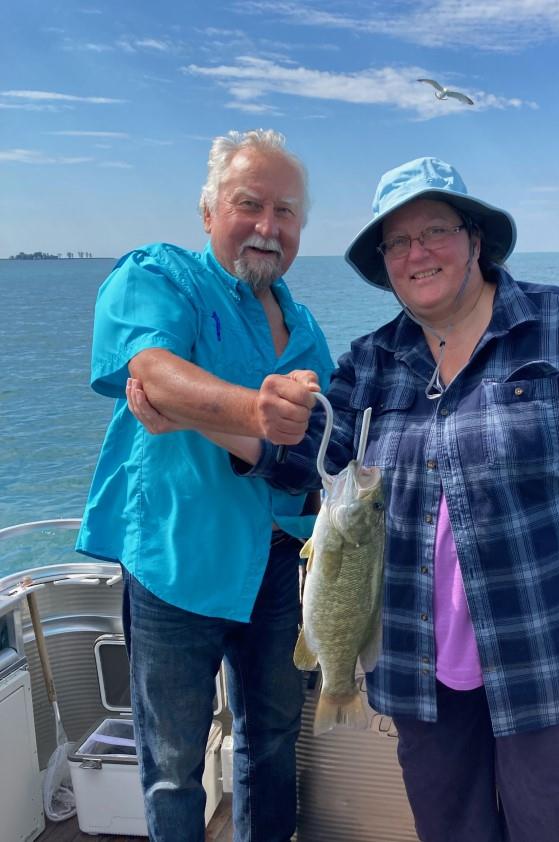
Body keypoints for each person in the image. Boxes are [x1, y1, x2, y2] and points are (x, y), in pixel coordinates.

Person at [128, 156, 559, 841]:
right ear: (385, 263)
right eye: (398, 242)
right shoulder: (373, 362)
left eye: (434, 231)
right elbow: (305, 452)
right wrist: (192, 416)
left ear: (475, 238)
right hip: (419, 671)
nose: (417, 253)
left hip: (558, 659)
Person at [76, 129, 334, 842]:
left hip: (281, 564)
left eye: (285, 213)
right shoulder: (161, 276)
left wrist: (204, 416)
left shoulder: (308, 331)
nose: (267, 226)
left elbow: (321, 453)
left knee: (273, 741)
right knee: (172, 761)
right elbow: (152, 371)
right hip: (173, 558)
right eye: (248, 204)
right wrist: (257, 412)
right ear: (208, 211)